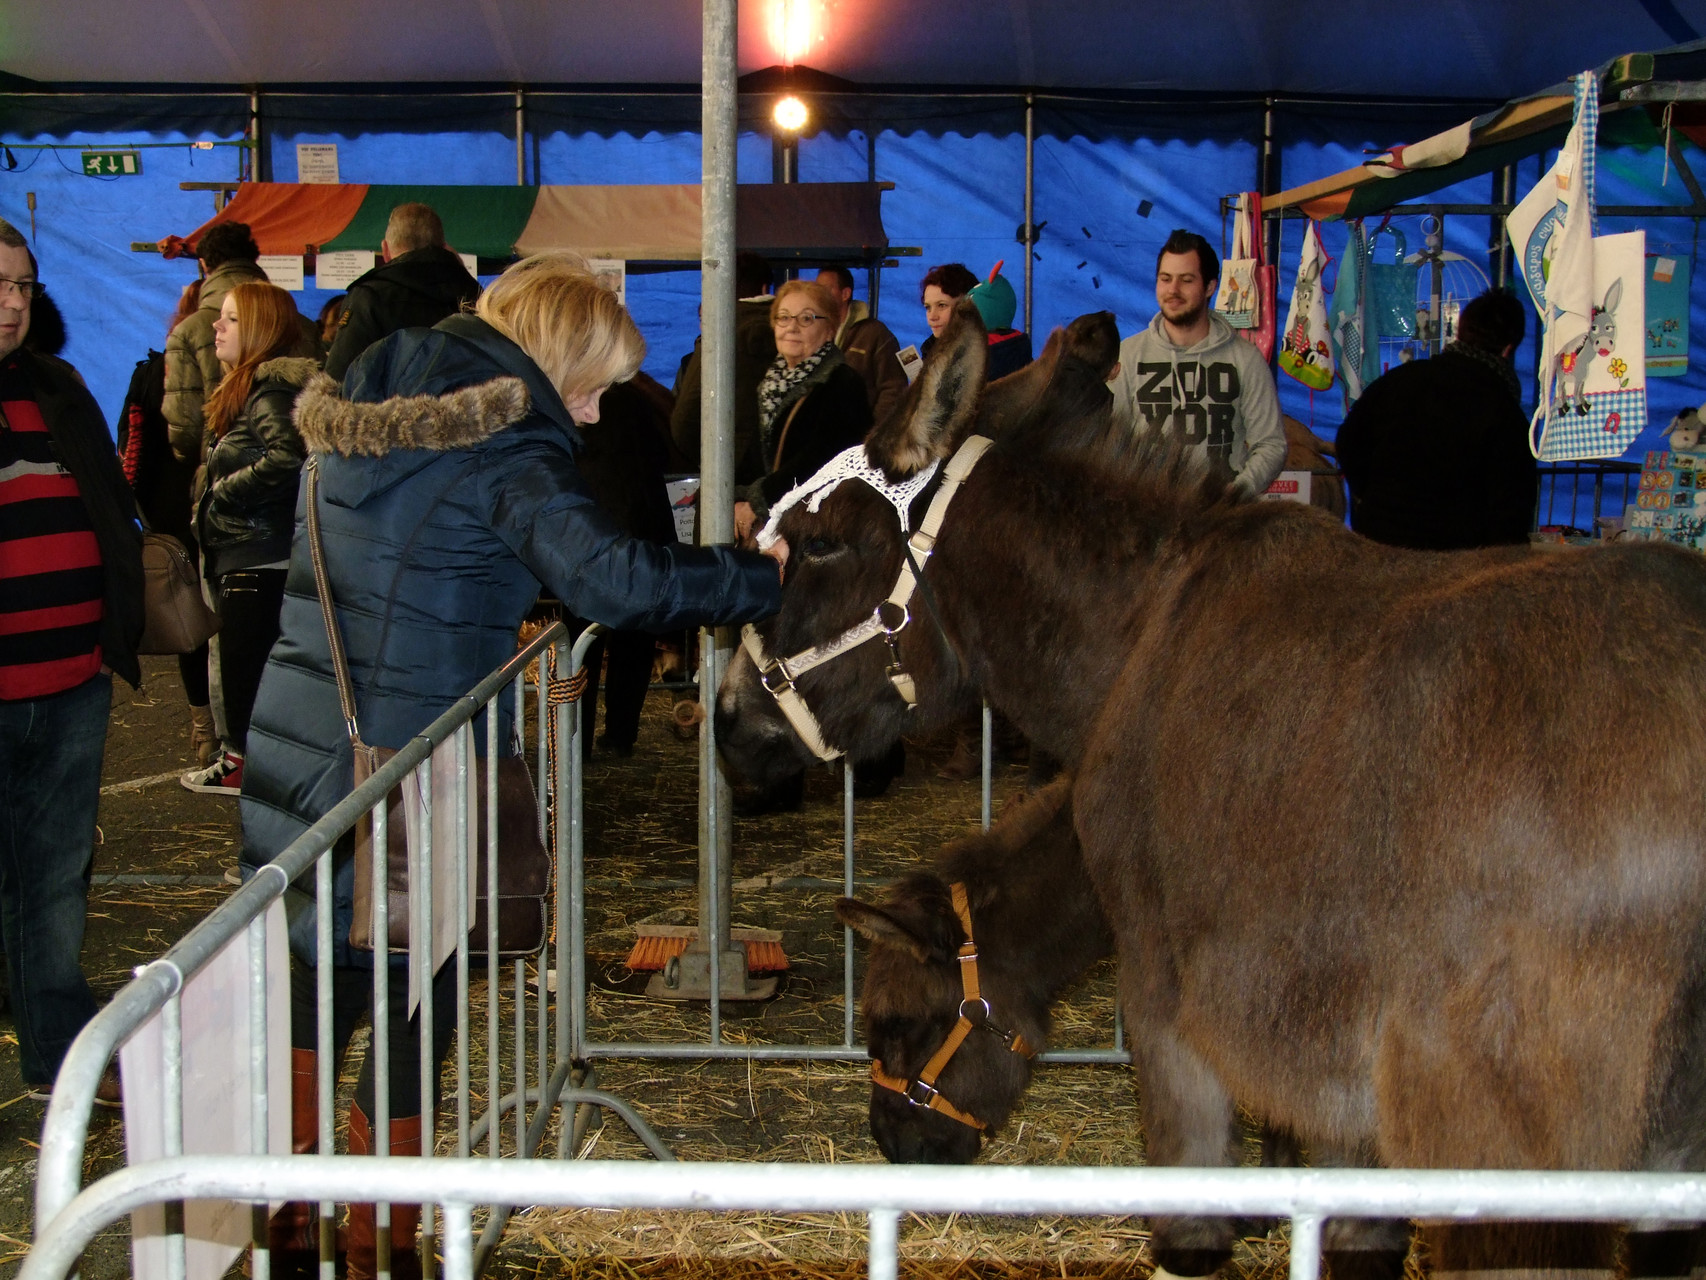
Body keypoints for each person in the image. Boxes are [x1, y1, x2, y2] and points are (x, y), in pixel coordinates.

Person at [238, 252, 782, 1279]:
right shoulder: (503, 443)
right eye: (588, 386)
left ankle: (290, 1229)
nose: (586, 415)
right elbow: (614, 582)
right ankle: (380, 1243)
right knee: (414, 1000)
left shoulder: (364, 401)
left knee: (317, 987)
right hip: (410, 771)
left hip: (301, 747)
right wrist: (757, 580)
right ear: (553, 359)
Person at [0, 217, 142, 1105]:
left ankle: (58, 1052)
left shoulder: (59, 388)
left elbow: (111, 506)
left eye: (22, 286)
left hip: (69, 681)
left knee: (54, 876)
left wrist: (109, 634)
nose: (12, 304)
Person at [180, 282, 317, 796]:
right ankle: (244, 767)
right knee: (242, 682)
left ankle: (255, 786)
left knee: (250, 685)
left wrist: (223, 494)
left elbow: (289, 458)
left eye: (231, 319)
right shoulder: (248, 390)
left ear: (259, 329)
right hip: (246, 556)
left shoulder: (270, 392)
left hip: (260, 561)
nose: (216, 325)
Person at [1335, 288, 1535, 550]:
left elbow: (1349, 441)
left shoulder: (1399, 381)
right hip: (1455, 562)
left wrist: (1374, 498)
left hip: (1381, 547)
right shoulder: (1503, 411)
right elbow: (1512, 507)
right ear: (1508, 349)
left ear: (1461, 332)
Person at [117, 283, 218, 765]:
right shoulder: (240, 367)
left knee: (191, 622)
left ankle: (206, 731)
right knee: (220, 622)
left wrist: (136, 513)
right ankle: (219, 729)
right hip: (218, 513)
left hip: (175, 513)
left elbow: (133, 449)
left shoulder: (153, 371)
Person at [1109, 229, 1286, 498]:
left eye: (1186, 280)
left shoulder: (1245, 360)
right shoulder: (1127, 356)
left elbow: (1271, 444)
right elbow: (1109, 441)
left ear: (1210, 287)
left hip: (1220, 524)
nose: (1173, 290)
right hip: (1148, 519)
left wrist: (1238, 492)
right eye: (1165, 279)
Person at [162, 221, 317, 467]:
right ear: (253, 258)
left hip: (250, 488)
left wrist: (224, 484)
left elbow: (186, 429)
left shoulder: (189, 331)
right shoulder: (305, 326)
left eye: (233, 319)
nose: (217, 325)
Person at [732, 277, 872, 544]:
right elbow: (756, 452)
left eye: (806, 319)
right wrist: (737, 498)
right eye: (783, 318)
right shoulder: (771, 384)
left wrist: (760, 499)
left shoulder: (843, 383)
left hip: (819, 533)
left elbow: (823, 458)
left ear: (829, 329)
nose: (791, 327)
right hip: (780, 526)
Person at [322, 202, 481, 381]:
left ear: (385, 250)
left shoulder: (368, 297)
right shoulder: (478, 296)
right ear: (444, 247)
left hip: (390, 407)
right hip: (468, 407)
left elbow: (339, 376)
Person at [670, 250, 776, 485]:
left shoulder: (719, 332)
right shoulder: (798, 333)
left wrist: (712, 458)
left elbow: (684, 421)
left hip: (729, 479)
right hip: (786, 481)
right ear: (765, 288)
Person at [815, 265, 907, 426]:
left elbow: (893, 388)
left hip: (861, 439)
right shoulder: (813, 332)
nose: (818, 296)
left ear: (845, 294)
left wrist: (871, 432)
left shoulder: (875, 333)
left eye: (825, 289)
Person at [920, 260, 1033, 381]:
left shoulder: (999, 355)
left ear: (970, 305)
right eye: (928, 307)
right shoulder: (929, 350)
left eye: (942, 305)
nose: (932, 316)